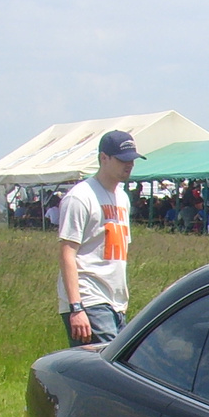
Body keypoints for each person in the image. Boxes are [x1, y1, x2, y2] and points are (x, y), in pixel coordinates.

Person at [58, 129, 139, 346]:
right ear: (104, 158)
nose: (129, 164)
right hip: (90, 298)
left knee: (108, 368)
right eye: (123, 160)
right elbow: (67, 252)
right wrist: (76, 307)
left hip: (116, 301)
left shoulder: (122, 197)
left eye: (132, 159)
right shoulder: (80, 197)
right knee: (112, 368)